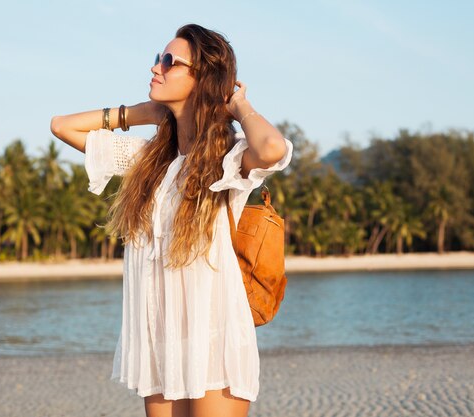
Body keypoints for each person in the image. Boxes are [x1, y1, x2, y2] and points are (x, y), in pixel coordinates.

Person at [50, 23, 293, 417]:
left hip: (215, 339)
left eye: (169, 62)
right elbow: (62, 125)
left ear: (202, 80)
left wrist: (238, 105)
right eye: (157, 59)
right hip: (161, 342)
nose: (155, 68)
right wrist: (142, 113)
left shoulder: (226, 158)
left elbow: (272, 148)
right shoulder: (150, 161)